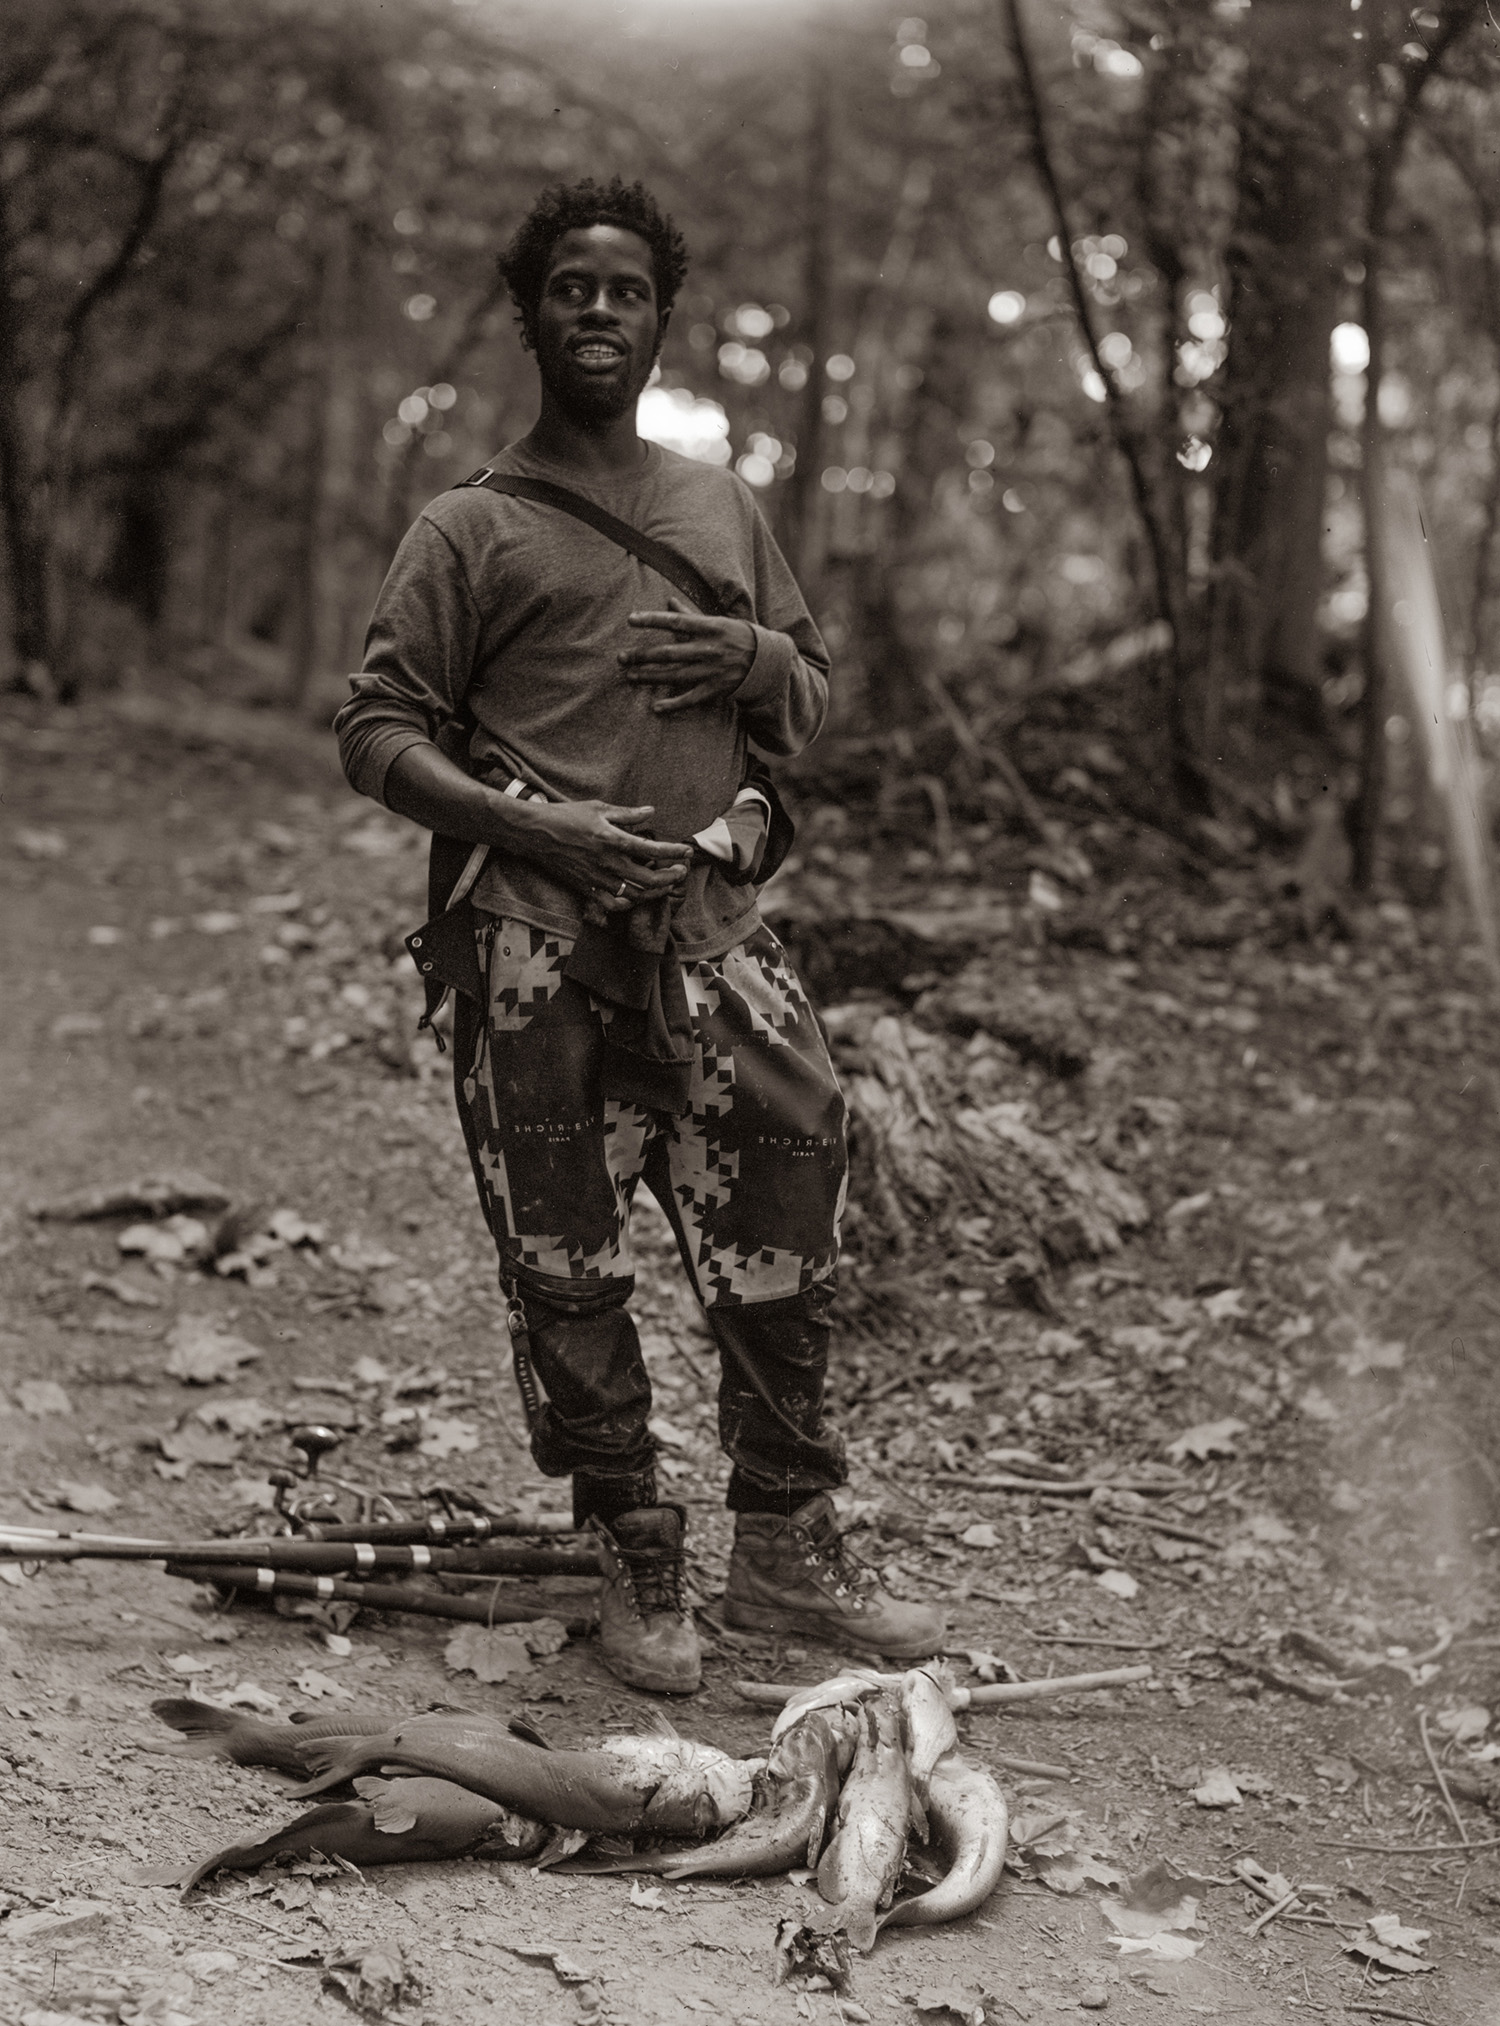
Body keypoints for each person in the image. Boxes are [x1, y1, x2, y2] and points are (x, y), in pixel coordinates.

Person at [335, 176, 944, 1694]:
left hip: (720, 942)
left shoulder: (721, 505)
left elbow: (805, 696)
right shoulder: (467, 526)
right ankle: (632, 1543)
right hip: (534, 948)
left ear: (662, 318)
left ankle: (788, 1551)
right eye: (570, 287)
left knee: (788, 1228)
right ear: (531, 313)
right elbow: (374, 726)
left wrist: (750, 650)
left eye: (624, 289)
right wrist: (529, 826)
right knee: (565, 1261)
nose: (597, 309)